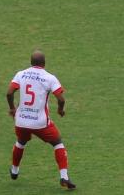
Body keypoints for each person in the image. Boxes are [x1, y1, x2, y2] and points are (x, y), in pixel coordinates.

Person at [6, 50, 76, 190]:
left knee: (21, 142)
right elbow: (61, 98)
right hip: (40, 123)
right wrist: (60, 109)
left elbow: (9, 93)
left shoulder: (21, 74)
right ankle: (64, 176)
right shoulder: (49, 77)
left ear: (31, 62)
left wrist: (13, 108)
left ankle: (14, 170)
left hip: (21, 120)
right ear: (44, 63)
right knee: (57, 143)